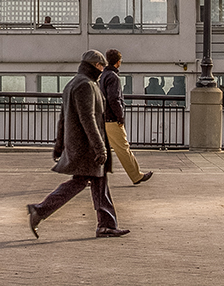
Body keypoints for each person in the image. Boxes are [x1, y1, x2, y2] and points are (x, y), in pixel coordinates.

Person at [26, 50, 130, 239]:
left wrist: (59, 145)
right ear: (94, 65)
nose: (102, 69)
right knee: (80, 182)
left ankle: (106, 225)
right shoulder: (86, 85)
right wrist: (100, 147)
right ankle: (40, 210)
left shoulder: (74, 83)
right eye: (100, 66)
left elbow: (63, 118)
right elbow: (88, 118)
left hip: (81, 145)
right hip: (86, 147)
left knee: (99, 182)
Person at [100, 49, 153, 186]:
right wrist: (120, 116)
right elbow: (114, 99)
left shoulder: (103, 75)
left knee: (99, 149)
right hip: (111, 119)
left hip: (102, 118)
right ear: (118, 62)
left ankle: (88, 177)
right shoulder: (113, 77)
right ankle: (136, 176)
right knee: (123, 148)